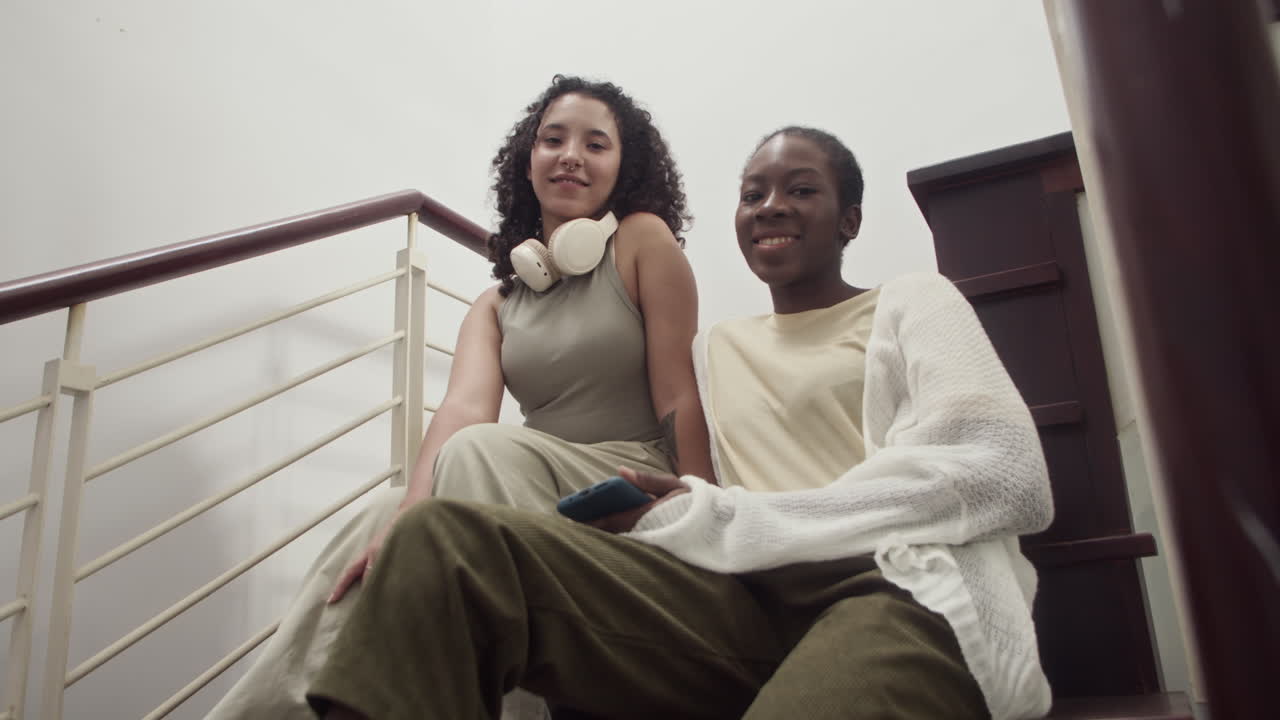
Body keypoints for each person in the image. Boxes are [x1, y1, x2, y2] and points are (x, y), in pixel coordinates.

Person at [304, 126, 1056, 720]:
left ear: (849, 218)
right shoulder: (722, 349)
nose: (770, 206)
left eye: (800, 189)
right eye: (752, 192)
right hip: (744, 604)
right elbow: (709, 489)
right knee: (439, 541)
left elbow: (1004, 472)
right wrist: (672, 509)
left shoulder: (910, 300)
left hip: (896, 586)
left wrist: (738, 520)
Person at [206, 75, 714, 720]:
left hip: (626, 473)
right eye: (553, 139)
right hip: (528, 484)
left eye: (596, 144)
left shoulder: (643, 240)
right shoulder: (496, 305)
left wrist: (707, 512)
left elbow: (678, 389)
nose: (571, 156)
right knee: (384, 514)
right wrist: (408, 518)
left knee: (479, 454)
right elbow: (462, 409)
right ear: (527, 162)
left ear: (625, 166)